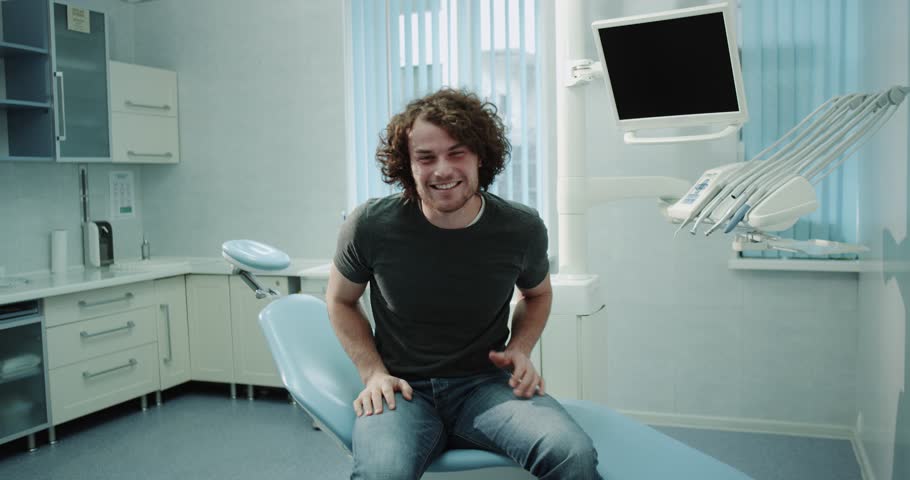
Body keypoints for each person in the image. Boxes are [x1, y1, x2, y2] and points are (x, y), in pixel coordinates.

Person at [326, 88, 601, 480]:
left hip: (485, 386)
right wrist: (372, 373)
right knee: (380, 473)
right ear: (407, 164)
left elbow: (537, 294)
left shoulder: (519, 228)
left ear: (479, 157)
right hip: (403, 390)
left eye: (457, 152)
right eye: (426, 157)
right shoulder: (370, 225)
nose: (443, 170)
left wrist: (520, 349)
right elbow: (339, 300)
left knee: (571, 454)